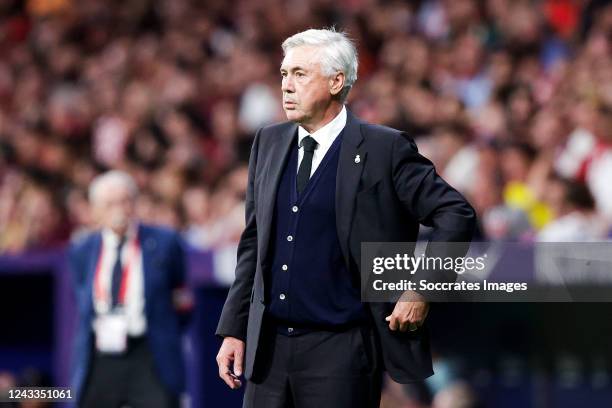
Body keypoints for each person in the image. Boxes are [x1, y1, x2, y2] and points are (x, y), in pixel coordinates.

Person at [215, 28, 476, 408]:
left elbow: (455, 212)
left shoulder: (383, 148)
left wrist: (421, 289)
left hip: (341, 350)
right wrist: (234, 330)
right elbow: (254, 243)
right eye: (284, 74)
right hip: (267, 351)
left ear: (337, 81)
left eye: (300, 74)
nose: (287, 85)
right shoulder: (268, 142)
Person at [69, 170, 189, 408]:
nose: (118, 208)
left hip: (148, 351)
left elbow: (182, 298)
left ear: (135, 203)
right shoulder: (81, 250)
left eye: (124, 200)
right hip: (101, 353)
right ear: (95, 209)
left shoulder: (164, 242)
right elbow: (81, 298)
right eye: (109, 203)